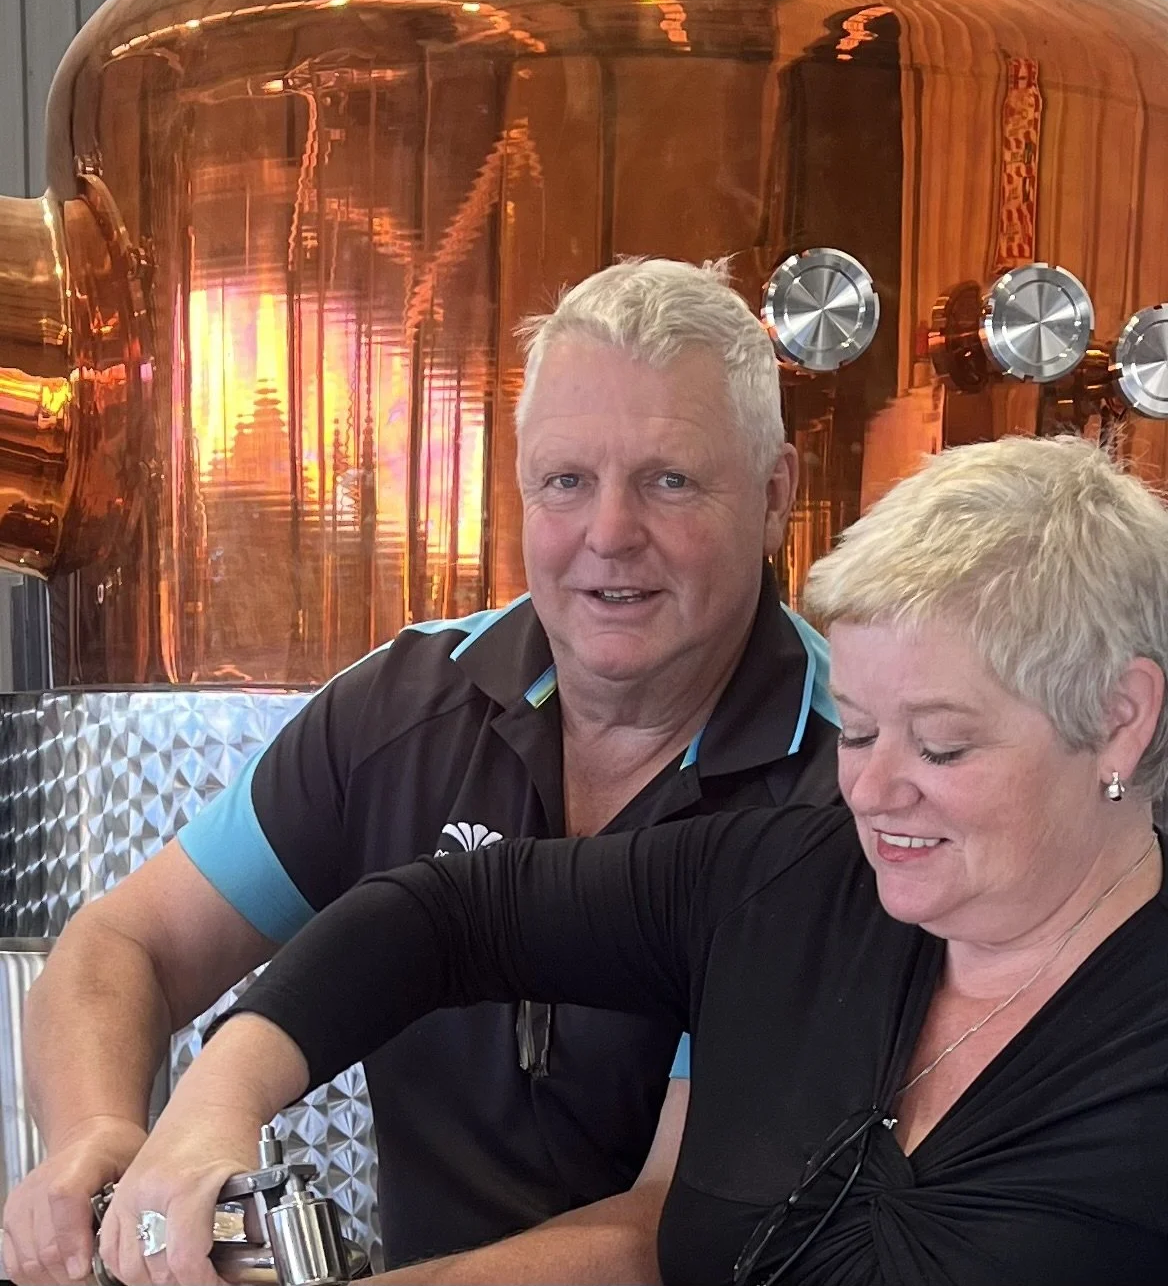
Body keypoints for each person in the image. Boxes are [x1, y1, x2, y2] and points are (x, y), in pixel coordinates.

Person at [99, 433, 1168, 1286]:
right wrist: (211, 1108)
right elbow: (443, 916)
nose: (874, 791)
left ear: (1118, 719)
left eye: (941, 744)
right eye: (853, 731)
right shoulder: (781, 887)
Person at [6, 258, 840, 1286]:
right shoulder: (406, 706)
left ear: (773, 498)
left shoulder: (854, 785)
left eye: (669, 481)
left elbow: (668, 1234)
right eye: (566, 482)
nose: (609, 535)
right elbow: (127, 942)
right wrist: (97, 1138)